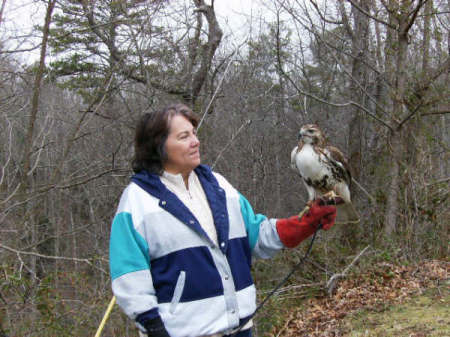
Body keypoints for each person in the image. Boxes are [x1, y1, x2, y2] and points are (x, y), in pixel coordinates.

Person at [109, 103, 337, 337]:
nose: (195, 142)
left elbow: (256, 236)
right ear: (159, 146)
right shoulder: (137, 201)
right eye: (184, 136)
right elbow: (129, 277)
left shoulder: (218, 185)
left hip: (240, 330)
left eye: (194, 134)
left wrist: (306, 223)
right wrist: (154, 327)